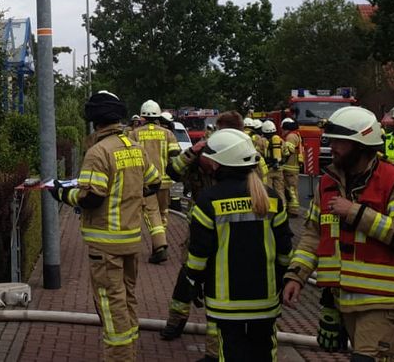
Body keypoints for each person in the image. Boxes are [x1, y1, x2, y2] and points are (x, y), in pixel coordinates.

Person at [282, 107, 394, 362]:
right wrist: (296, 276)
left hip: (380, 301)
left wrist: (356, 213)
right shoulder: (327, 183)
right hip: (342, 299)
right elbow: (313, 235)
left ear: (361, 145)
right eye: (332, 140)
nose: (333, 147)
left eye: (340, 142)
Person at [162, 128, 292, 361]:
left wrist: (194, 281)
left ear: (216, 164)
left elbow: (199, 254)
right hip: (265, 299)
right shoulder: (271, 198)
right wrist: (281, 281)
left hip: (225, 302)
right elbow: (284, 251)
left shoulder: (208, 200)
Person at [52, 91, 162, 362]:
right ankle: (130, 350)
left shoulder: (98, 152)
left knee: (111, 306)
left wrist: (62, 194)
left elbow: (91, 197)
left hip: (105, 245)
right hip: (131, 239)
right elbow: (154, 183)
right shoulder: (133, 147)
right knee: (127, 297)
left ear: (94, 120)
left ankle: (120, 356)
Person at [129, 100, 179, 264]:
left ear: (142, 115)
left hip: (146, 183)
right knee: (163, 213)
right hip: (164, 182)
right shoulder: (167, 133)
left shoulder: (134, 134)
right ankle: (159, 243)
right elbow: (175, 154)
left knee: (151, 213)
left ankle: (159, 246)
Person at [278, 118, 304, 216]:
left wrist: (280, 144)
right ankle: (291, 209)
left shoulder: (291, 136)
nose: (282, 131)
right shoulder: (295, 134)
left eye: (283, 129)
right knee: (290, 189)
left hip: (290, 167)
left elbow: (288, 151)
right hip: (291, 167)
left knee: (291, 190)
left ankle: (293, 211)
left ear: (286, 128)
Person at [261, 120, 286, 208]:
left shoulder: (262, 141)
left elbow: (259, 154)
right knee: (280, 190)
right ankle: (283, 207)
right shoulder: (281, 140)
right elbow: (286, 152)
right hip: (279, 169)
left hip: (268, 169)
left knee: (269, 190)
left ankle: (271, 208)